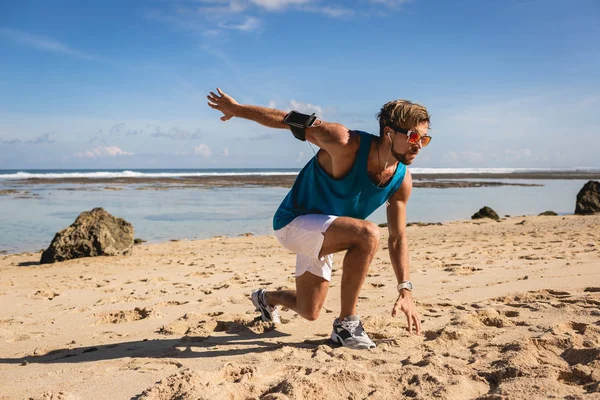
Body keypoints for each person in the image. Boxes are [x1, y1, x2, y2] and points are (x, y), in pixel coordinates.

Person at [207, 88, 430, 349]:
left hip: (328, 231)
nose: (418, 145)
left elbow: (398, 237)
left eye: (424, 139)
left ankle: (266, 298)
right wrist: (237, 109)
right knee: (368, 233)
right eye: (413, 136)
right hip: (293, 223)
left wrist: (405, 289)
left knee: (309, 310)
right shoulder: (344, 142)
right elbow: (287, 118)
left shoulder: (401, 179)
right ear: (389, 132)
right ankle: (347, 325)